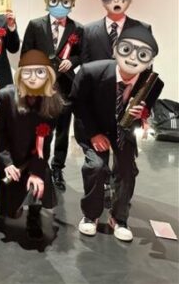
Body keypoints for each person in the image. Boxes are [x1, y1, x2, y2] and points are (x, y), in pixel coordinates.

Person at [71, 26, 164, 242]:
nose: (133, 58)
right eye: (127, 49)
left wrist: (142, 114)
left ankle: (119, 218)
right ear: (115, 49)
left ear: (149, 60)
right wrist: (94, 134)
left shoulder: (152, 83)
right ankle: (91, 215)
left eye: (142, 54)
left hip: (123, 128)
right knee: (96, 166)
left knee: (127, 170)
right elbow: (77, 103)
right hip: (93, 126)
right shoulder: (90, 72)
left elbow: (146, 110)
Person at [0, 50, 65, 240]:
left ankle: (34, 216)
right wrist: (7, 163)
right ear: (20, 75)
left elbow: (44, 143)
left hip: (31, 156)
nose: (33, 77)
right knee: (6, 209)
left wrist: (35, 171)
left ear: (48, 76)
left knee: (41, 176)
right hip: (7, 155)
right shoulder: (5, 96)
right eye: (28, 72)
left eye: (39, 72)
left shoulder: (53, 102)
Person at [21, 0, 83, 190]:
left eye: (65, 1)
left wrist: (72, 61)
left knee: (63, 130)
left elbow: (82, 55)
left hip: (66, 87)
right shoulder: (35, 25)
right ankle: (40, 165)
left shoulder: (77, 29)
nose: (59, 5)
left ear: (72, 3)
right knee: (41, 129)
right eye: (55, 0)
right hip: (41, 88)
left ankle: (57, 168)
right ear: (47, 1)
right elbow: (26, 54)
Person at [82, 0, 152, 63]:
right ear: (102, 1)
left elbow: (146, 62)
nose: (116, 0)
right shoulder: (88, 31)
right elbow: (85, 65)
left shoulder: (143, 29)